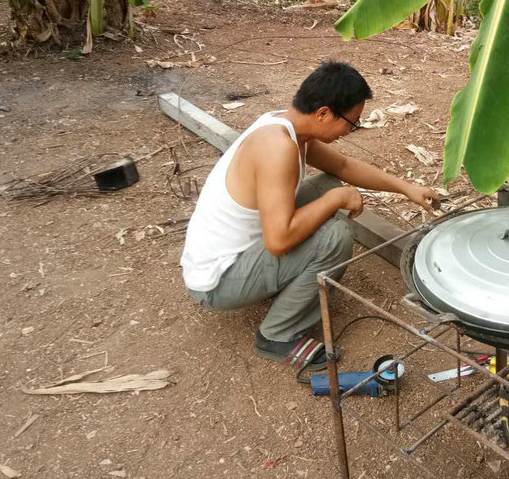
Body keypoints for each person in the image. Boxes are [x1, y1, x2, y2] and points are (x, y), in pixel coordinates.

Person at [181, 61, 439, 372]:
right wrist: (335, 200)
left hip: (236, 254)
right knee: (335, 237)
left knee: (327, 184)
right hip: (218, 282)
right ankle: (277, 335)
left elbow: (342, 166)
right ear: (324, 113)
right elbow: (278, 242)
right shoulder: (278, 149)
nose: (351, 130)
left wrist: (406, 188)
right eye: (352, 122)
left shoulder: (284, 125)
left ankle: (282, 285)